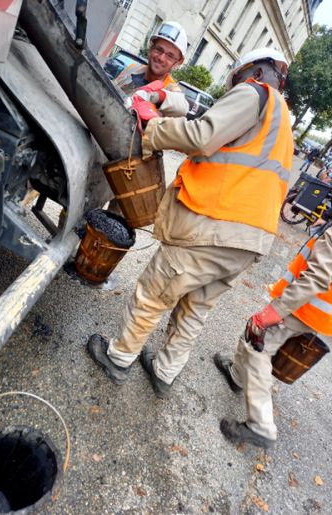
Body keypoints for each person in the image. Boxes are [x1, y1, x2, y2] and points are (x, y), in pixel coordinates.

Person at [86, 49, 293, 399]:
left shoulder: (254, 92)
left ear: (255, 70)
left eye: (237, 79)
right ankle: (164, 371)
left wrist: (151, 126)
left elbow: (201, 137)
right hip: (248, 238)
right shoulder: (281, 120)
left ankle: (118, 358)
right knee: (196, 307)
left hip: (214, 224)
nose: (236, 87)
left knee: (154, 294)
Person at [213, 215, 332, 448]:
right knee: (254, 342)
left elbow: (317, 278)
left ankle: (260, 425)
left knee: (257, 345)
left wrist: (274, 311)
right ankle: (237, 376)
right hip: (318, 312)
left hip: (304, 307)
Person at [113, 21, 190, 118]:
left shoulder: (171, 89)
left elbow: (183, 107)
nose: (161, 58)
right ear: (151, 50)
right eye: (159, 50)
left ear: (175, 64)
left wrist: (156, 96)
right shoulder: (134, 68)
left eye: (170, 56)